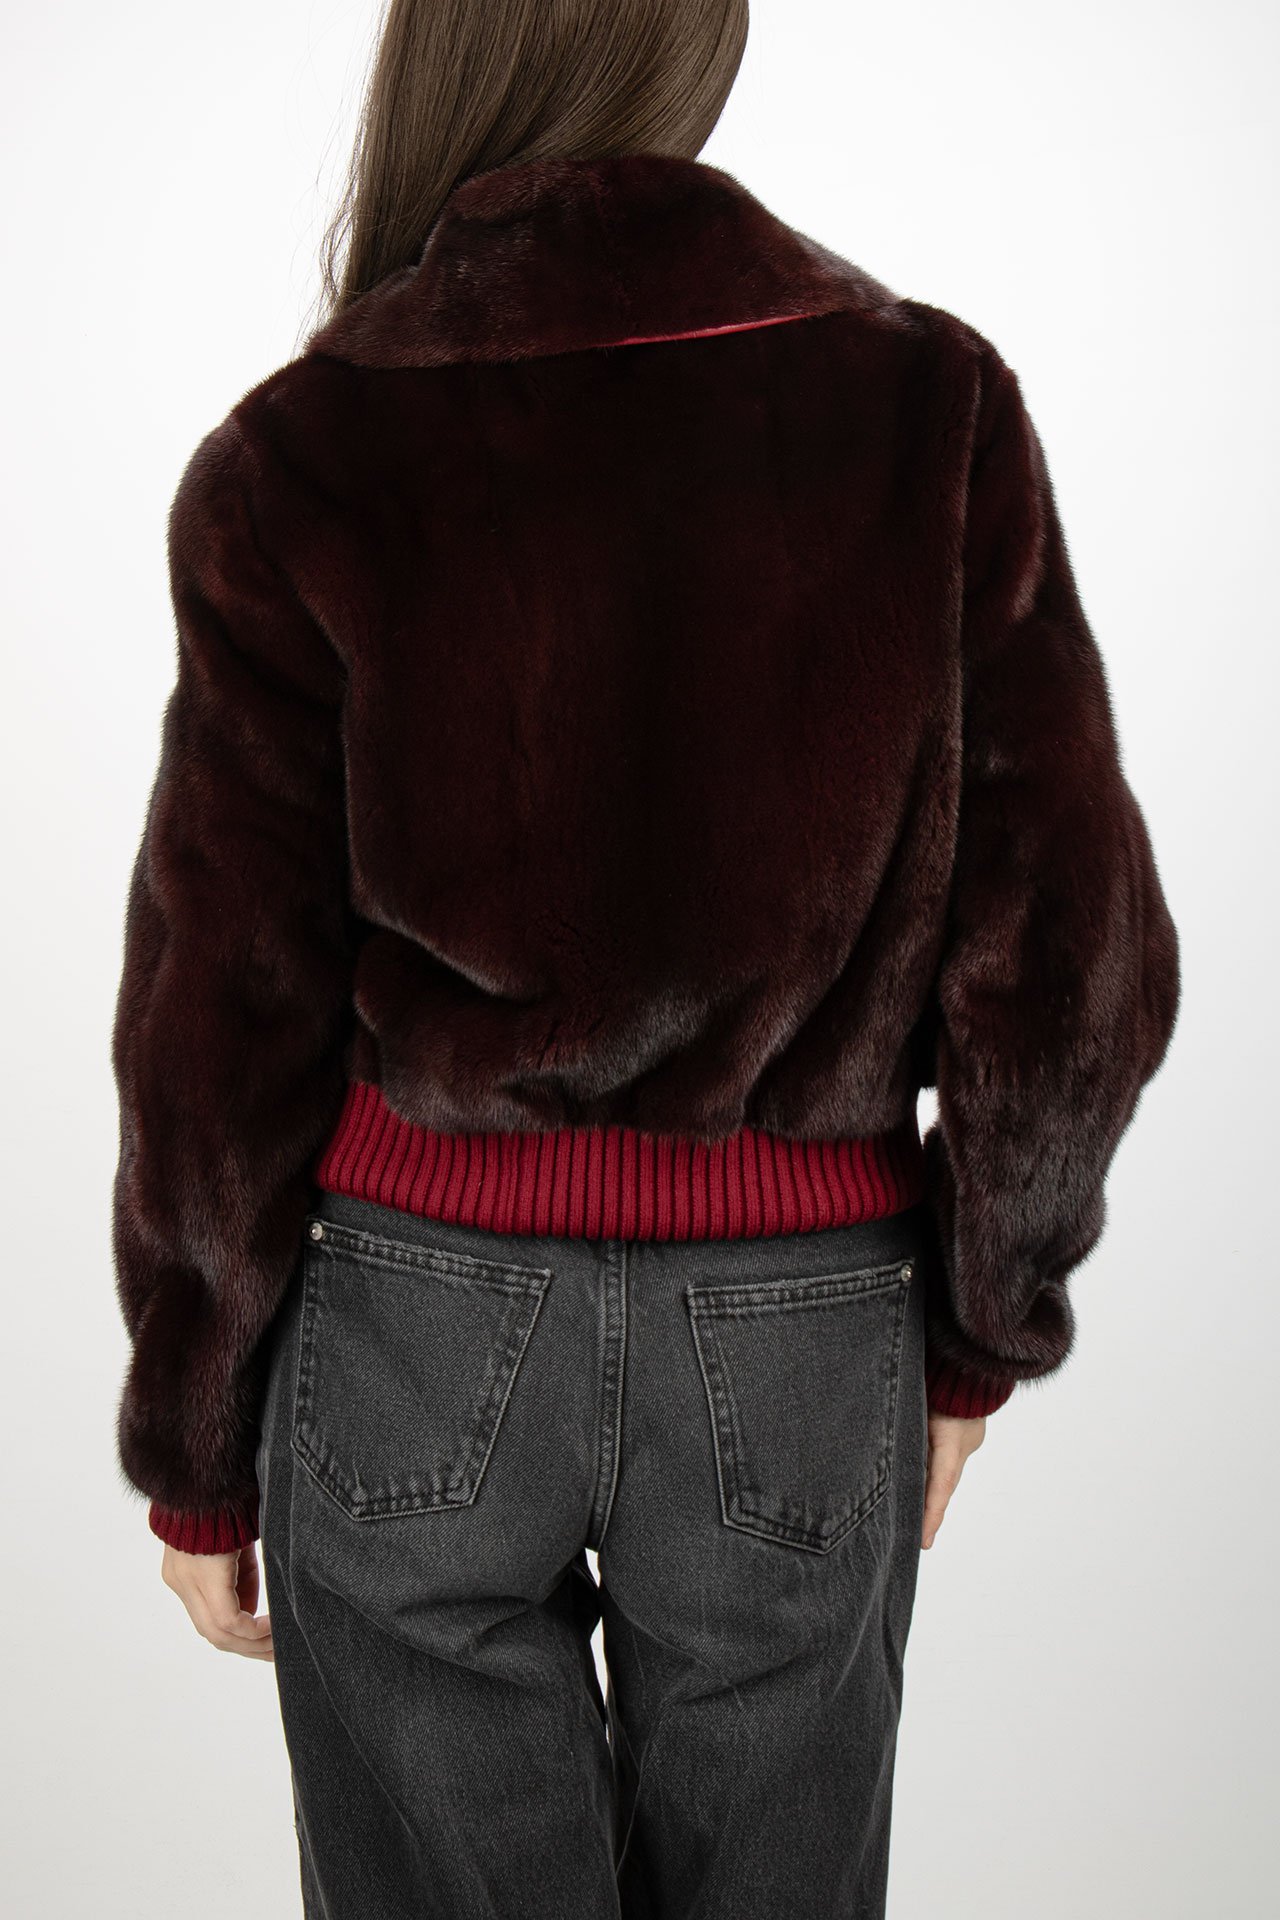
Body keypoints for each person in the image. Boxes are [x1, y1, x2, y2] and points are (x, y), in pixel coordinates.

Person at [108, 0, 1181, 1913]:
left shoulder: (299, 451)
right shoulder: (928, 407)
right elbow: (1074, 948)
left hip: (418, 1328)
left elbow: (221, 1007)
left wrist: (194, 1432)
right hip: (802, 1324)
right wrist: (977, 1332)